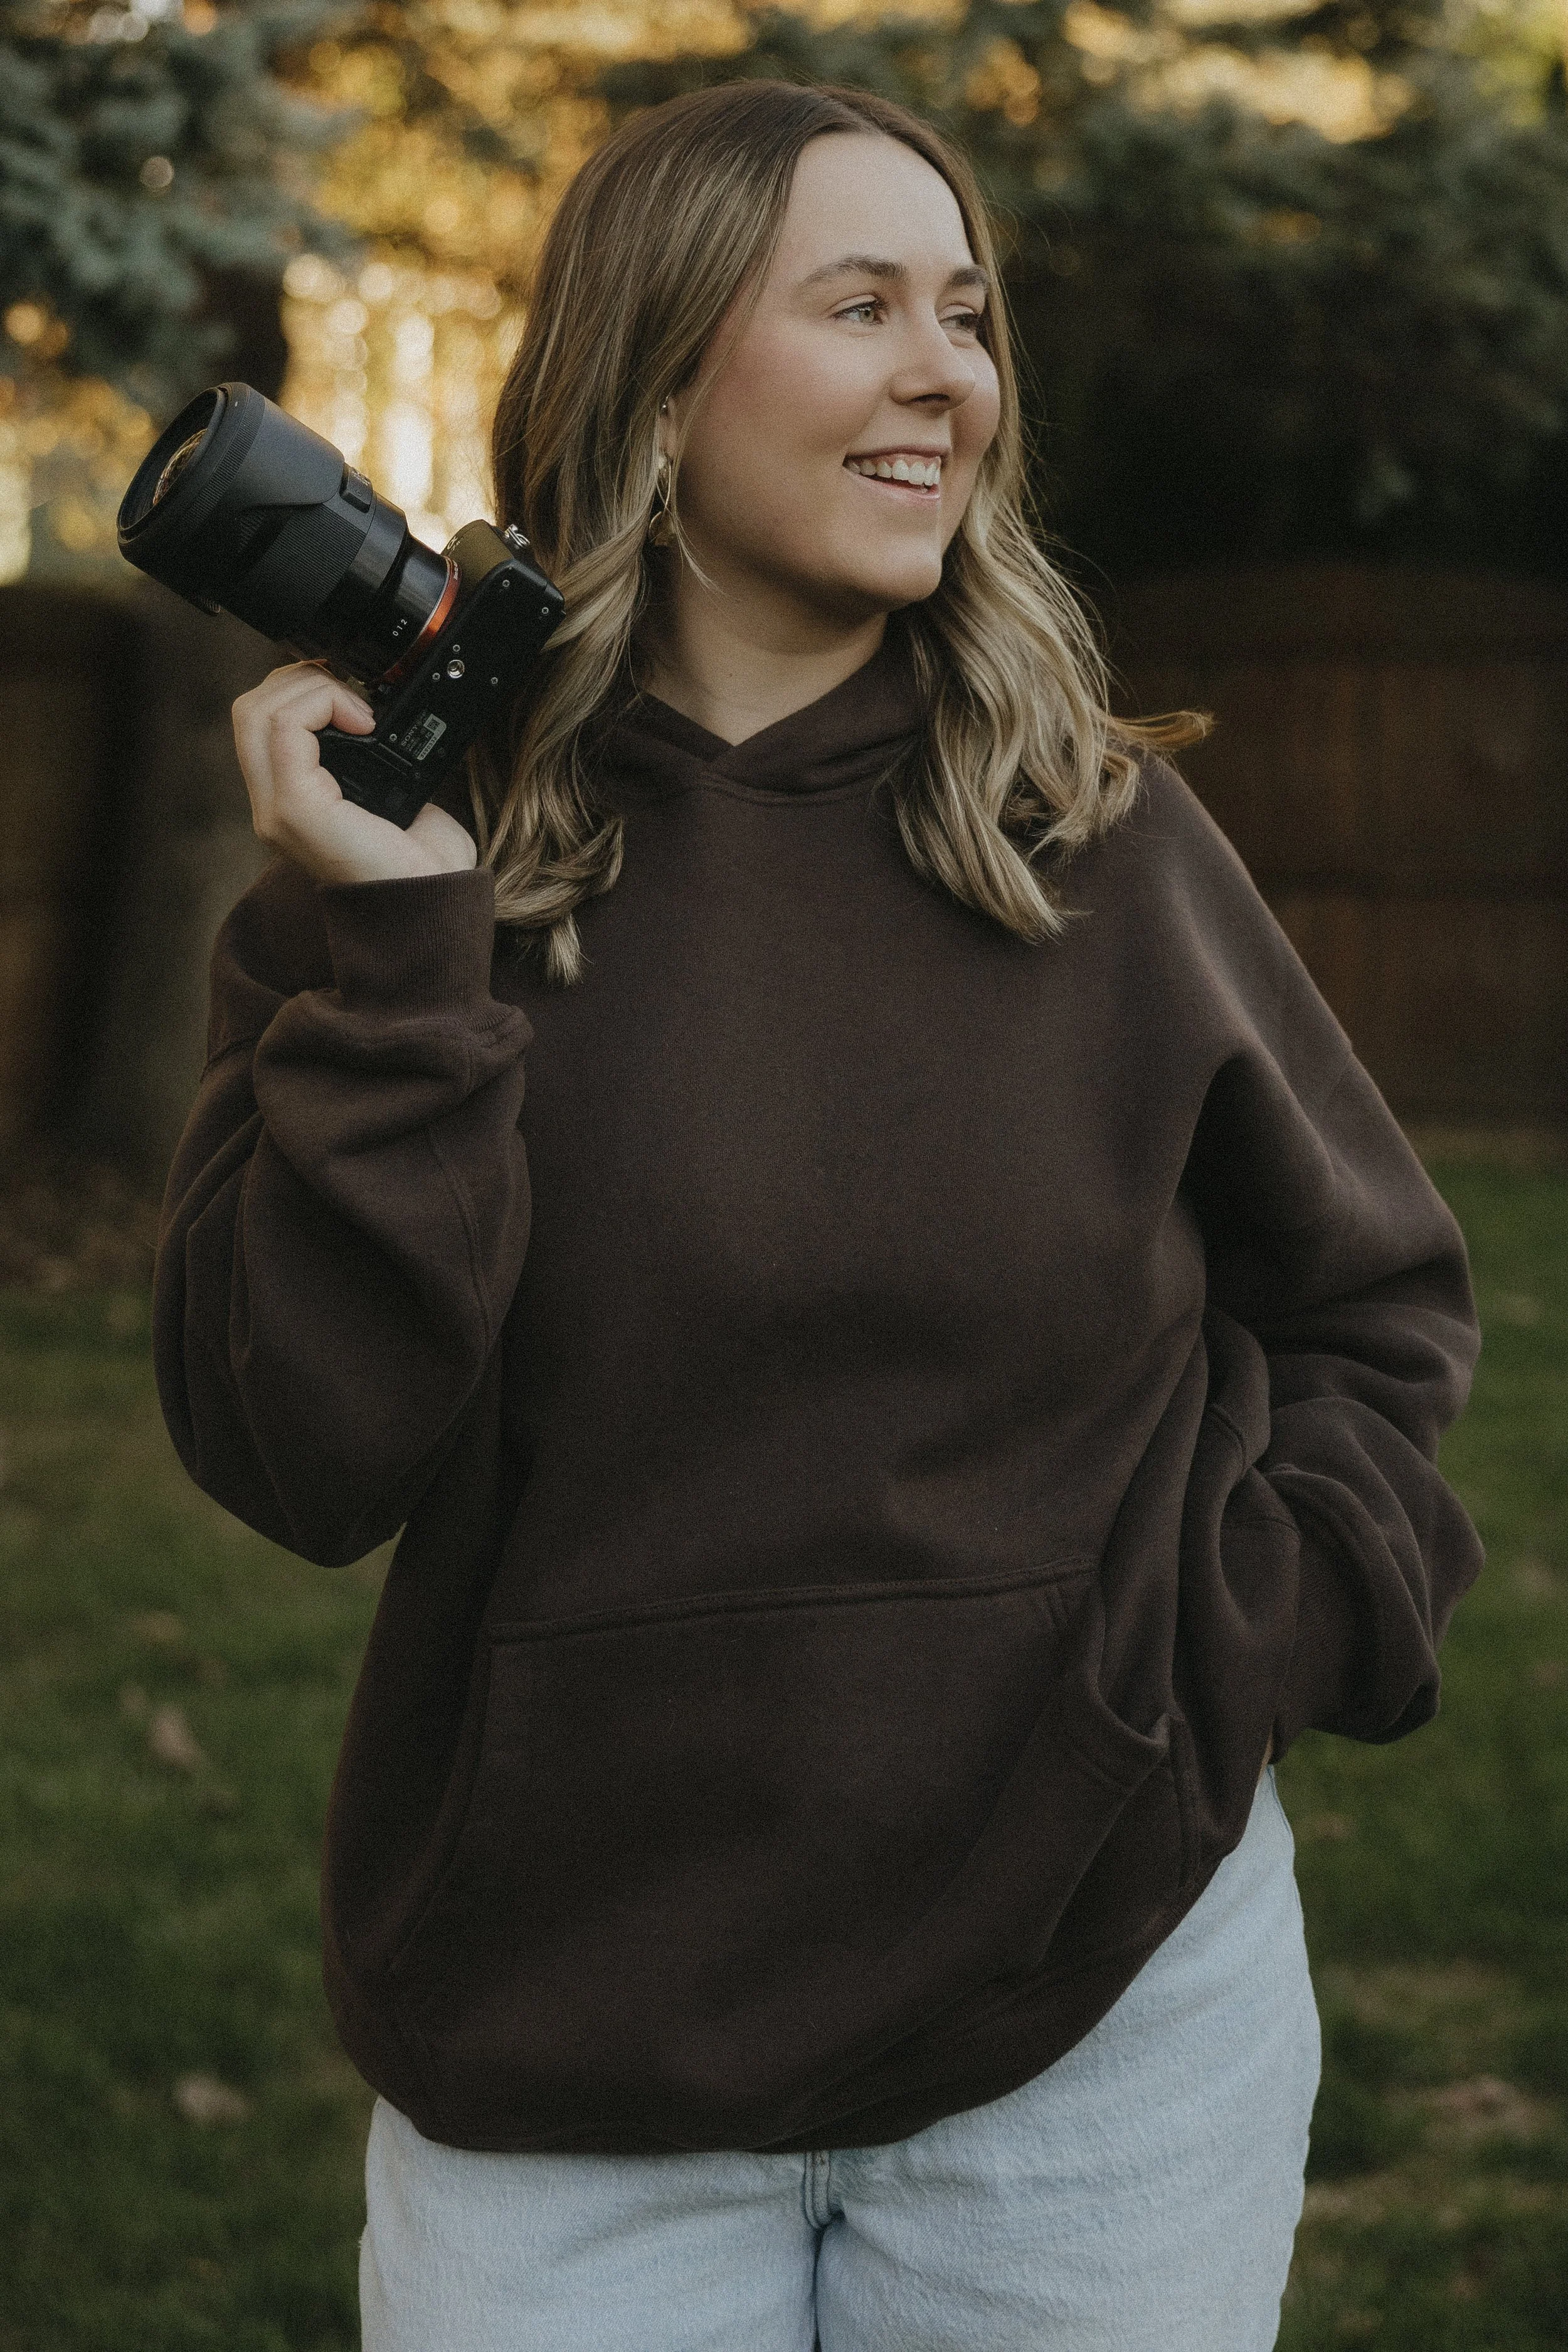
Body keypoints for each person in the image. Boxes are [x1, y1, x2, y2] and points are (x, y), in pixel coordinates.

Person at [152, 80, 1485, 2352]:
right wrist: (396, 963)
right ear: (658, 384)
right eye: (857, 305)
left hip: (1092, 2025)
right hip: (563, 2046)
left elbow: (1375, 1302)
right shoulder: (412, 861)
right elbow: (301, 1456)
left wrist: (1234, 1641)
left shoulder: (1095, 838)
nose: (943, 372)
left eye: (962, 315)